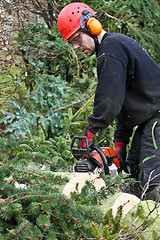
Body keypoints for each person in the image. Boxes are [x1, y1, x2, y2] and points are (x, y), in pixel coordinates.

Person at [57, 2, 160, 201]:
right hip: (149, 120)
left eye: (77, 38)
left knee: (152, 185)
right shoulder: (112, 50)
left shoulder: (111, 48)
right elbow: (124, 105)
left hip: (157, 119)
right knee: (133, 175)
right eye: (71, 42)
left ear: (91, 26)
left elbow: (109, 100)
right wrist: (120, 144)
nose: (76, 46)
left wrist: (90, 131)